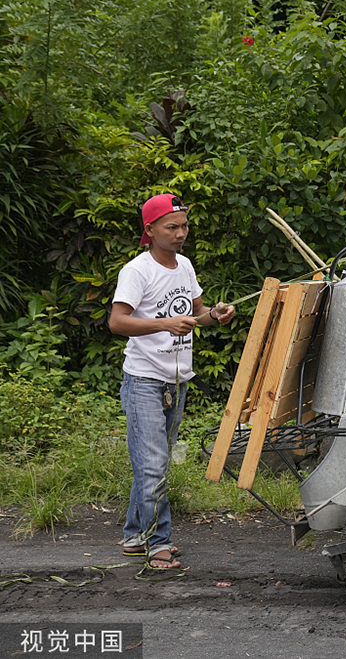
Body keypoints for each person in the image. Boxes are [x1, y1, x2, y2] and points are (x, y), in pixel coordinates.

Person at [109, 194, 235, 570]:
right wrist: (165, 324)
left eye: (184, 226)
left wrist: (217, 314)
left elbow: (197, 315)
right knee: (153, 464)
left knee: (153, 464)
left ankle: (135, 536)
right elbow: (118, 322)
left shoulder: (185, 267)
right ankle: (157, 543)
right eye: (172, 227)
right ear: (150, 230)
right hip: (144, 380)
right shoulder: (137, 271)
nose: (181, 234)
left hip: (175, 382)